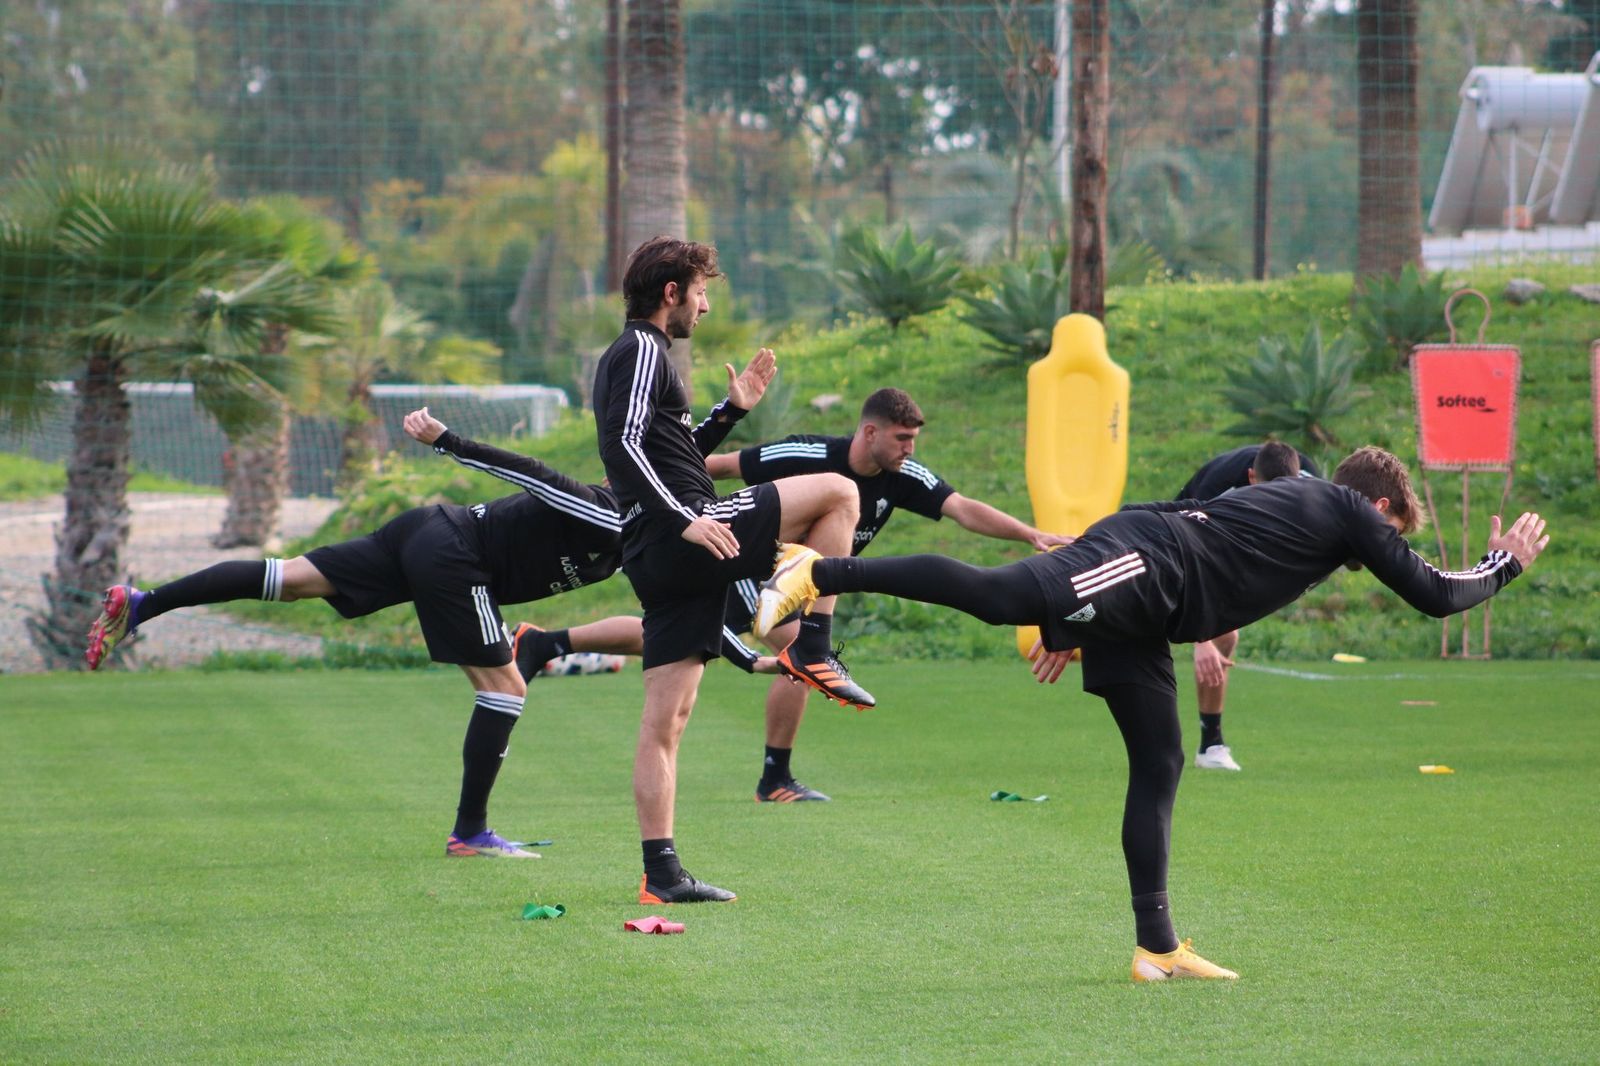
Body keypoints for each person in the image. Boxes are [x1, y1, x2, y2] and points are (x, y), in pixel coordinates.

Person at [753, 446, 1548, 980]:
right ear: (1376, 503)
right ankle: (818, 568)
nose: (1377, 551)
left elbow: (1204, 488)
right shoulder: (1345, 508)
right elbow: (1438, 596)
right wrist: (1505, 562)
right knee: (1001, 599)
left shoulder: (1290, 490)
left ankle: (1157, 946)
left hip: (1149, 600)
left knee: (1162, 760)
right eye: (1389, 532)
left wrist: (1083, 612)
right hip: (1147, 569)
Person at [85, 408, 646, 860]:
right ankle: (470, 833)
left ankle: (143, 605)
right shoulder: (611, 514)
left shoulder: (640, 540)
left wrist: (735, 409)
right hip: (457, 557)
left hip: (426, 531)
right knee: (505, 688)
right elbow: (533, 472)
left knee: (292, 579)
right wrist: (449, 440)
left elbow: (688, 460)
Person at [593, 235, 872, 905]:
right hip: (685, 534)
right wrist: (683, 518)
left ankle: (661, 875)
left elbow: (668, 452)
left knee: (668, 720)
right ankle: (811, 647)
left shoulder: (644, 356)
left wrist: (732, 410)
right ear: (672, 294)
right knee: (839, 492)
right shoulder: (639, 350)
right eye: (701, 291)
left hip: (663, 553)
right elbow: (625, 446)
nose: (706, 305)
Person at [706, 387, 1073, 802]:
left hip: (791, 587)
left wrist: (1031, 534)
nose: (909, 449)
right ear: (869, 432)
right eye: (902, 439)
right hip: (742, 567)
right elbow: (718, 464)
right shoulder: (803, 453)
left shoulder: (903, 476)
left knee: (665, 640)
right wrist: (641, 490)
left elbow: (964, 508)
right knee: (799, 655)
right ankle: (774, 781)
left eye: (913, 439)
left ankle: (774, 778)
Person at [1177, 441, 1320, 771]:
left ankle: (1210, 746)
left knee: (1226, 639)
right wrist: (1200, 635)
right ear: (1251, 478)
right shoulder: (1216, 487)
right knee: (1219, 637)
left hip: (1243, 543)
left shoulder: (1314, 488)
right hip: (1188, 539)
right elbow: (1189, 551)